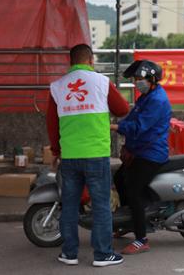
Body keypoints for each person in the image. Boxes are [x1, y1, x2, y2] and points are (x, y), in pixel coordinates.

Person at [46, 44, 129, 267]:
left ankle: (69, 253)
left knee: (70, 205)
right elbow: (123, 108)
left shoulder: (57, 87)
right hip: (96, 155)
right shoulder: (102, 82)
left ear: (71, 62)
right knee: (101, 205)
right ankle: (103, 254)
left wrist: (56, 151)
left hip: (70, 157)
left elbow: (52, 125)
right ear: (91, 60)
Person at [110, 60, 171, 255]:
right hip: (140, 150)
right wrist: (119, 126)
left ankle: (141, 239)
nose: (137, 82)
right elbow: (132, 118)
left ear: (151, 79)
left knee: (134, 190)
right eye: (136, 79)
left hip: (151, 154)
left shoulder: (157, 100)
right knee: (119, 178)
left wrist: (116, 127)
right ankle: (130, 222)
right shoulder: (146, 96)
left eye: (139, 79)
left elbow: (139, 127)